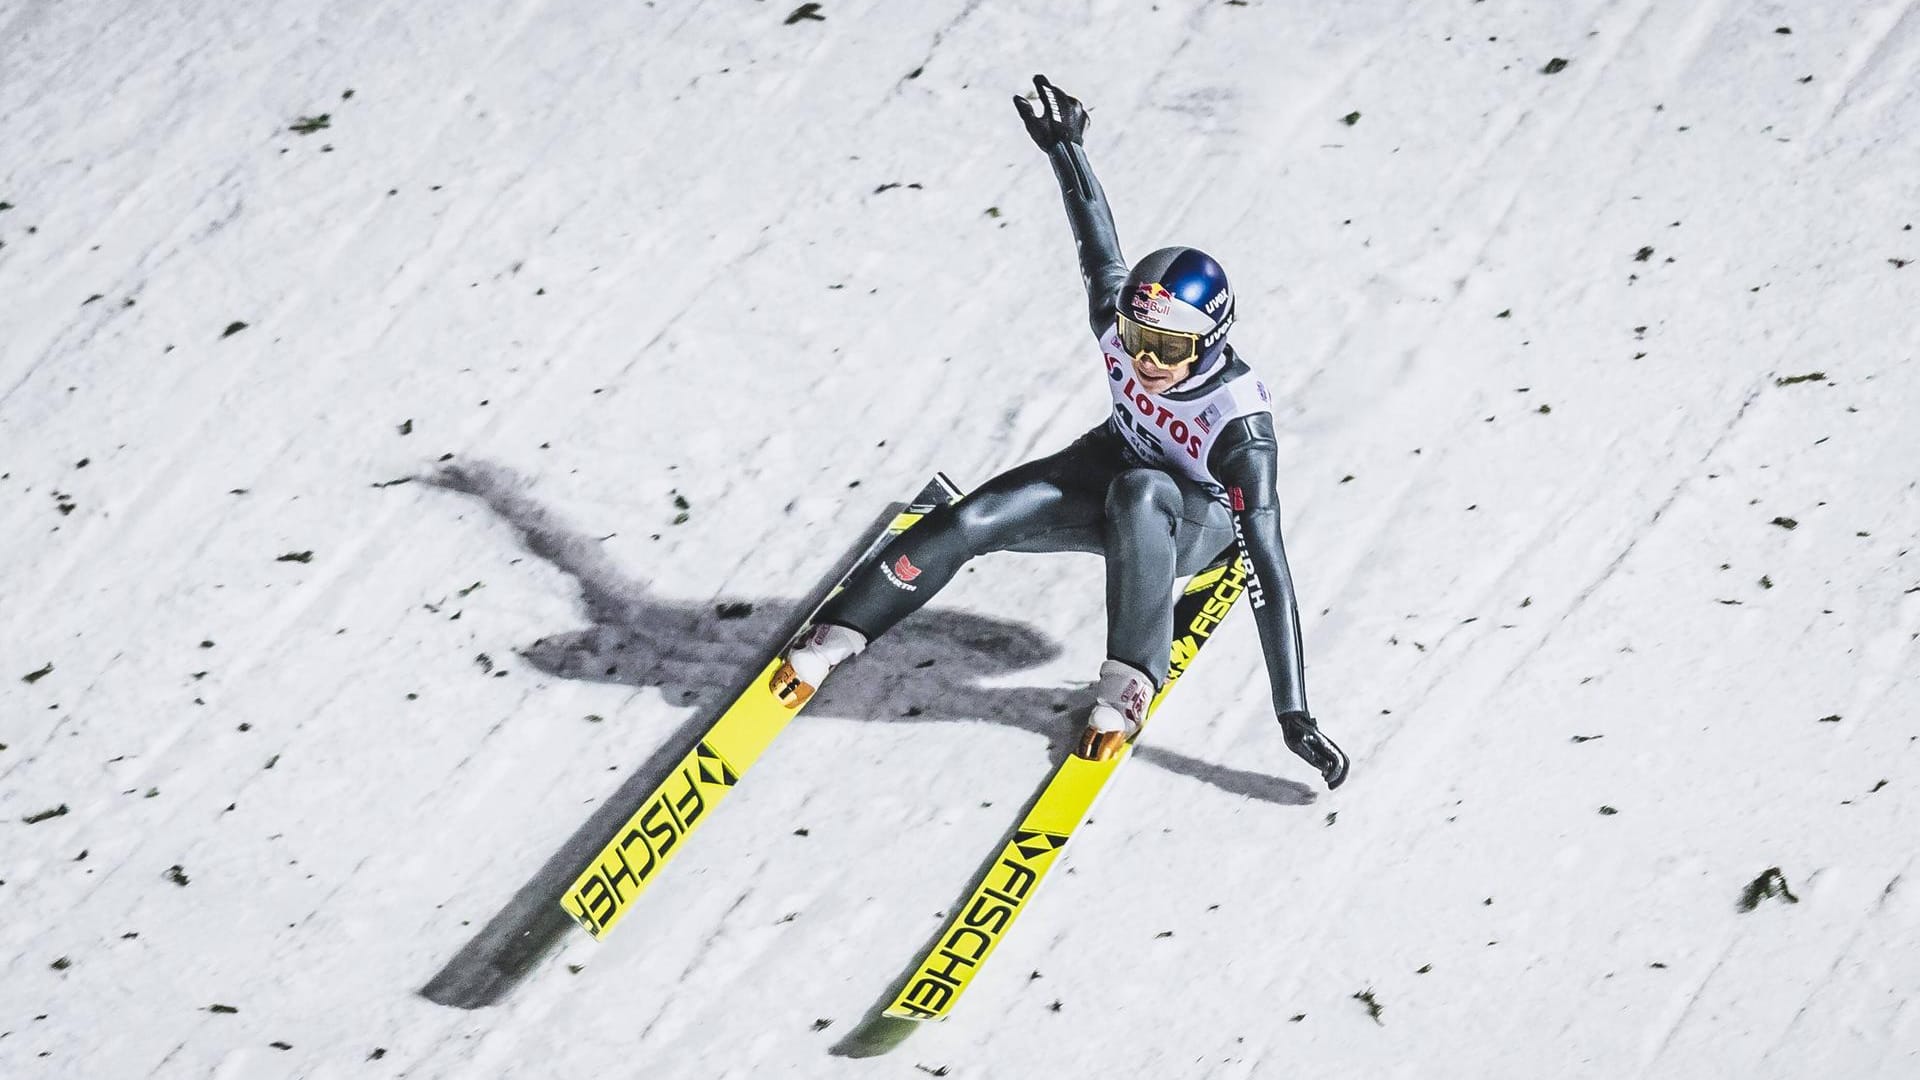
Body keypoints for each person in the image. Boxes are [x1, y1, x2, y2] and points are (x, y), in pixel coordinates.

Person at [769, 75, 1348, 789]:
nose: (1145, 361)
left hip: (1191, 525)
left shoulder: (1240, 430)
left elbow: (1269, 565)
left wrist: (1293, 713)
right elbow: (1096, 241)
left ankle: (1128, 684)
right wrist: (1066, 147)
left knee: (1141, 492)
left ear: (1210, 344)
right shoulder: (1118, 318)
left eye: (1168, 350)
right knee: (972, 518)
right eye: (1138, 336)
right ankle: (838, 636)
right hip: (1108, 465)